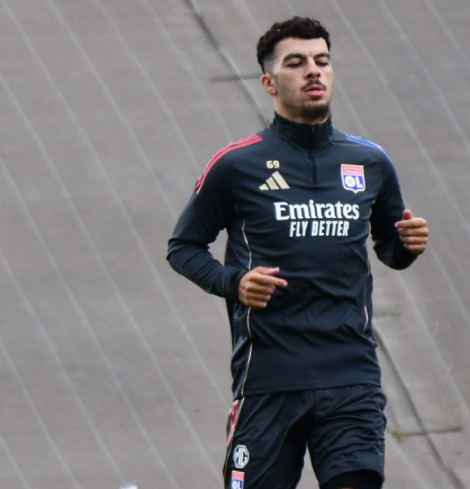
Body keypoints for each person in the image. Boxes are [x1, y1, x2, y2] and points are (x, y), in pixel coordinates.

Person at [166, 16, 428, 489]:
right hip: (268, 380)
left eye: (322, 61)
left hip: (350, 378)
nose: (313, 71)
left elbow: (389, 248)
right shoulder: (236, 165)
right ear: (269, 82)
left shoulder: (370, 161)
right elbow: (183, 246)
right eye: (296, 63)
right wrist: (234, 283)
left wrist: (406, 246)